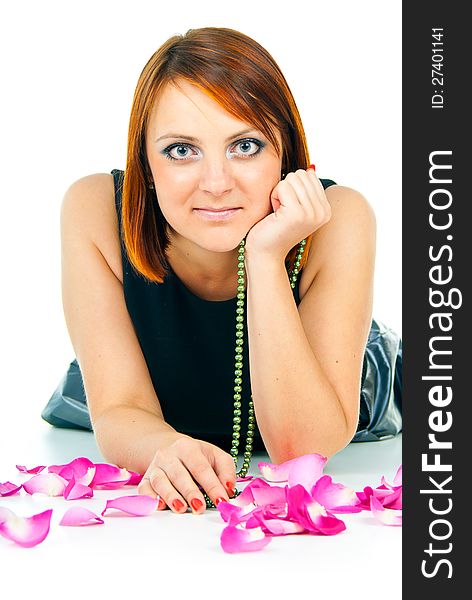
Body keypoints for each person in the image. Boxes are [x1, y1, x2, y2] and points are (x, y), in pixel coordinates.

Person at [42, 27, 402, 515]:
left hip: (334, 383)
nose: (216, 183)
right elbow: (119, 404)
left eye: (246, 146)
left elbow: (302, 448)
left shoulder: (341, 217)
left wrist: (265, 256)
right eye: (181, 150)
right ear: (145, 163)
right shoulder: (94, 210)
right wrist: (162, 450)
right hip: (146, 402)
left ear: (286, 155)